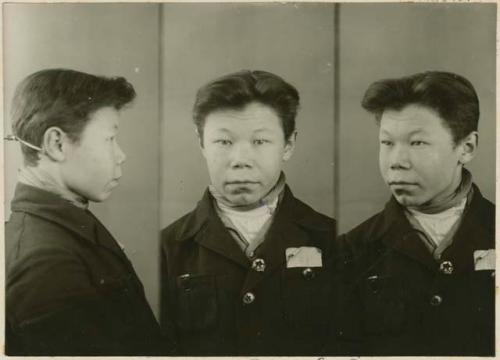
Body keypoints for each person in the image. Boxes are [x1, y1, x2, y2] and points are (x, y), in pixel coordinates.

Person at [160, 70, 337, 355]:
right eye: (224, 142)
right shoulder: (169, 247)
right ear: (201, 142)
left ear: (288, 144)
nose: (240, 160)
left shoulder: (334, 239)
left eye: (260, 141)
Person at [5, 69, 164, 355]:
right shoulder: (46, 262)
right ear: (56, 144)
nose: (121, 155)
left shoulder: (61, 223)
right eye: (109, 139)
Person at [336, 71, 494, 356]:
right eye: (387, 143)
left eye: (417, 143)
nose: (396, 161)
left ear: (466, 147)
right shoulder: (352, 251)